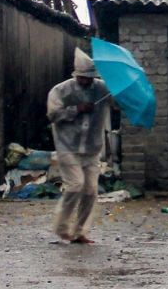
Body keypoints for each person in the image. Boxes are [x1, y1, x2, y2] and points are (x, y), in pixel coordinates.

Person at [46, 47, 111, 244]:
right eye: (82, 77)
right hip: (68, 146)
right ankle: (61, 227)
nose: (85, 81)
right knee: (75, 186)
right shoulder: (61, 90)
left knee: (91, 190)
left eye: (88, 78)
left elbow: (117, 104)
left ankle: (80, 231)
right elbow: (53, 115)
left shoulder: (102, 89)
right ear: (76, 75)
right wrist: (75, 110)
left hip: (92, 148)